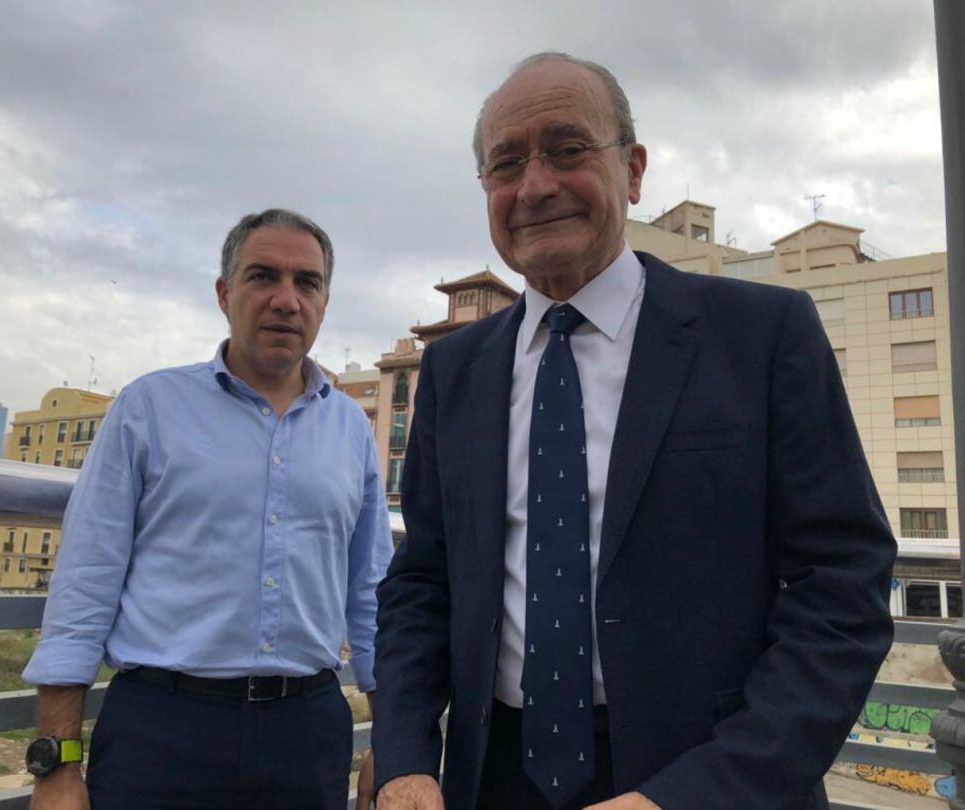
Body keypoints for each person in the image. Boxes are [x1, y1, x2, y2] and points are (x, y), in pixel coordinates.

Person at [371, 52, 895, 810]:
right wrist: (404, 759)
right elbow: (422, 583)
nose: (536, 184)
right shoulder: (453, 370)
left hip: (704, 779)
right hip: (492, 779)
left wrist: (695, 793)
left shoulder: (763, 335)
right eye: (506, 163)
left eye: (568, 149)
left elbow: (841, 589)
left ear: (635, 170)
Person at [23, 208, 393, 810]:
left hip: (308, 734)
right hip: (160, 730)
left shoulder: (351, 428)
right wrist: (56, 764)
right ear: (224, 294)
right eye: (262, 277)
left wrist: (393, 742)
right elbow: (86, 582)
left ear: (325, 301)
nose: (285, 300)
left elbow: (372, 595)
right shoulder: (149, 408)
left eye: (307, 282)